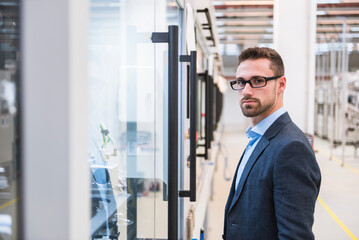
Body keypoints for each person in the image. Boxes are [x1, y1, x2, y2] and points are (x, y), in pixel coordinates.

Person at [223, 47, 321, 240]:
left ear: (281, 84)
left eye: (258, 81)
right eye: (241, 82)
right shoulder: (257, 137)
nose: (247, 91)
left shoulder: (291, 148)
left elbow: (295, 236)